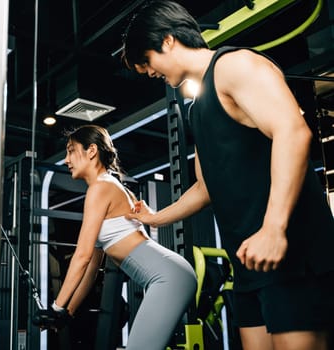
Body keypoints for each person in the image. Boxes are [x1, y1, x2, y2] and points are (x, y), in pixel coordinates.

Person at [121, 1, 334, 350]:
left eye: (146, 60)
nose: (146, 71)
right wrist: (155, 218)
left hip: (292, 253)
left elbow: (293, 132)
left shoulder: (235, 66)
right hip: (251, 262)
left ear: (169, 40)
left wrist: (274, 227)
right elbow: (206, 187)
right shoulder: (197, 105)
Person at [33, 124, 197, 349]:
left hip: (169, 278)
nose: (66, 159)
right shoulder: (109, 187)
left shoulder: (100, 188)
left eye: (71, 150)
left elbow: (81, 255)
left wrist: (56, 307)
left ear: (91, 151)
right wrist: (66, 313)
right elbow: (90, 269)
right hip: (171, 275)